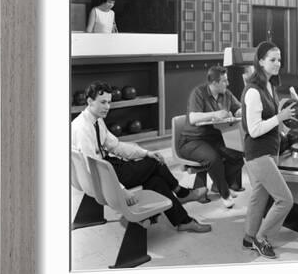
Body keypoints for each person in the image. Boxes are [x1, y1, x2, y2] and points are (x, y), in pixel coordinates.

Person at [72, 81, 211, 233]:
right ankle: (181, 193)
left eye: (109, 102)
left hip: (110, 167)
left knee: (156, 181)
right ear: (90, 101)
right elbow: (92, 168)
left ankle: (183, 221)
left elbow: (116, 146)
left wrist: (146, 153)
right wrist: (121, 190)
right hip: (106, 176)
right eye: (103, 102)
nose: (107, 107)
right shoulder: (82, 129)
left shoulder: (96, 120)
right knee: (154, 163)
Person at [240, 41, 298, 259]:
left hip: (270, 149)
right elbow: (254, 130)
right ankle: (261, 238)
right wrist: (280, 117)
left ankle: (249, 237)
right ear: (260, 61)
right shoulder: (253, 92)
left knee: (259, 195)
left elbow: (271, 120)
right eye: (272, 60)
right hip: (258, 153)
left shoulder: (270, 85)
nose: (278, 63)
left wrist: (285, 120)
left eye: (279, 59)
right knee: (285, 199)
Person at [178, 66, 245, 209]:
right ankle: (225, 194)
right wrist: (215, 114)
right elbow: (193, 118)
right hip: (191, 140)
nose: (228, 84)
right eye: (224, 81)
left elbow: (238, 107)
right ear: (214, 83)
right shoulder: (198, 93)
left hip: (213, 139)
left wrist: (239, 112)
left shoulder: (226, 93)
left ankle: (219, 185)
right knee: (213, 158)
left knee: (238, 155)